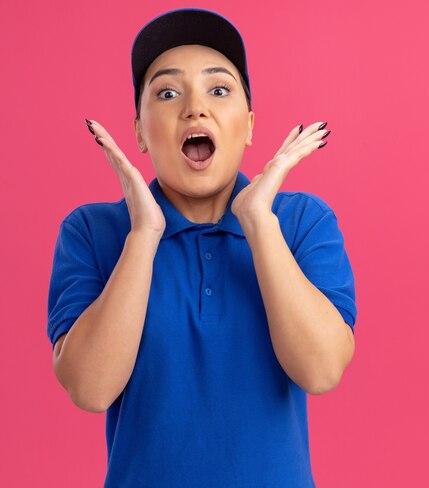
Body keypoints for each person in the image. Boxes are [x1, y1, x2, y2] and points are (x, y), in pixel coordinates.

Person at [47, 7, 357, 487]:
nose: (195, 108)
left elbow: (321, 371)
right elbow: (90, 388)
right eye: (168, 93)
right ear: (139, 132)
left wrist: (258, 222)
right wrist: (144, 235)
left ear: (250, 125)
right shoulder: (93, 231)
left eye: (219, 89)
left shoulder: (301, 222)